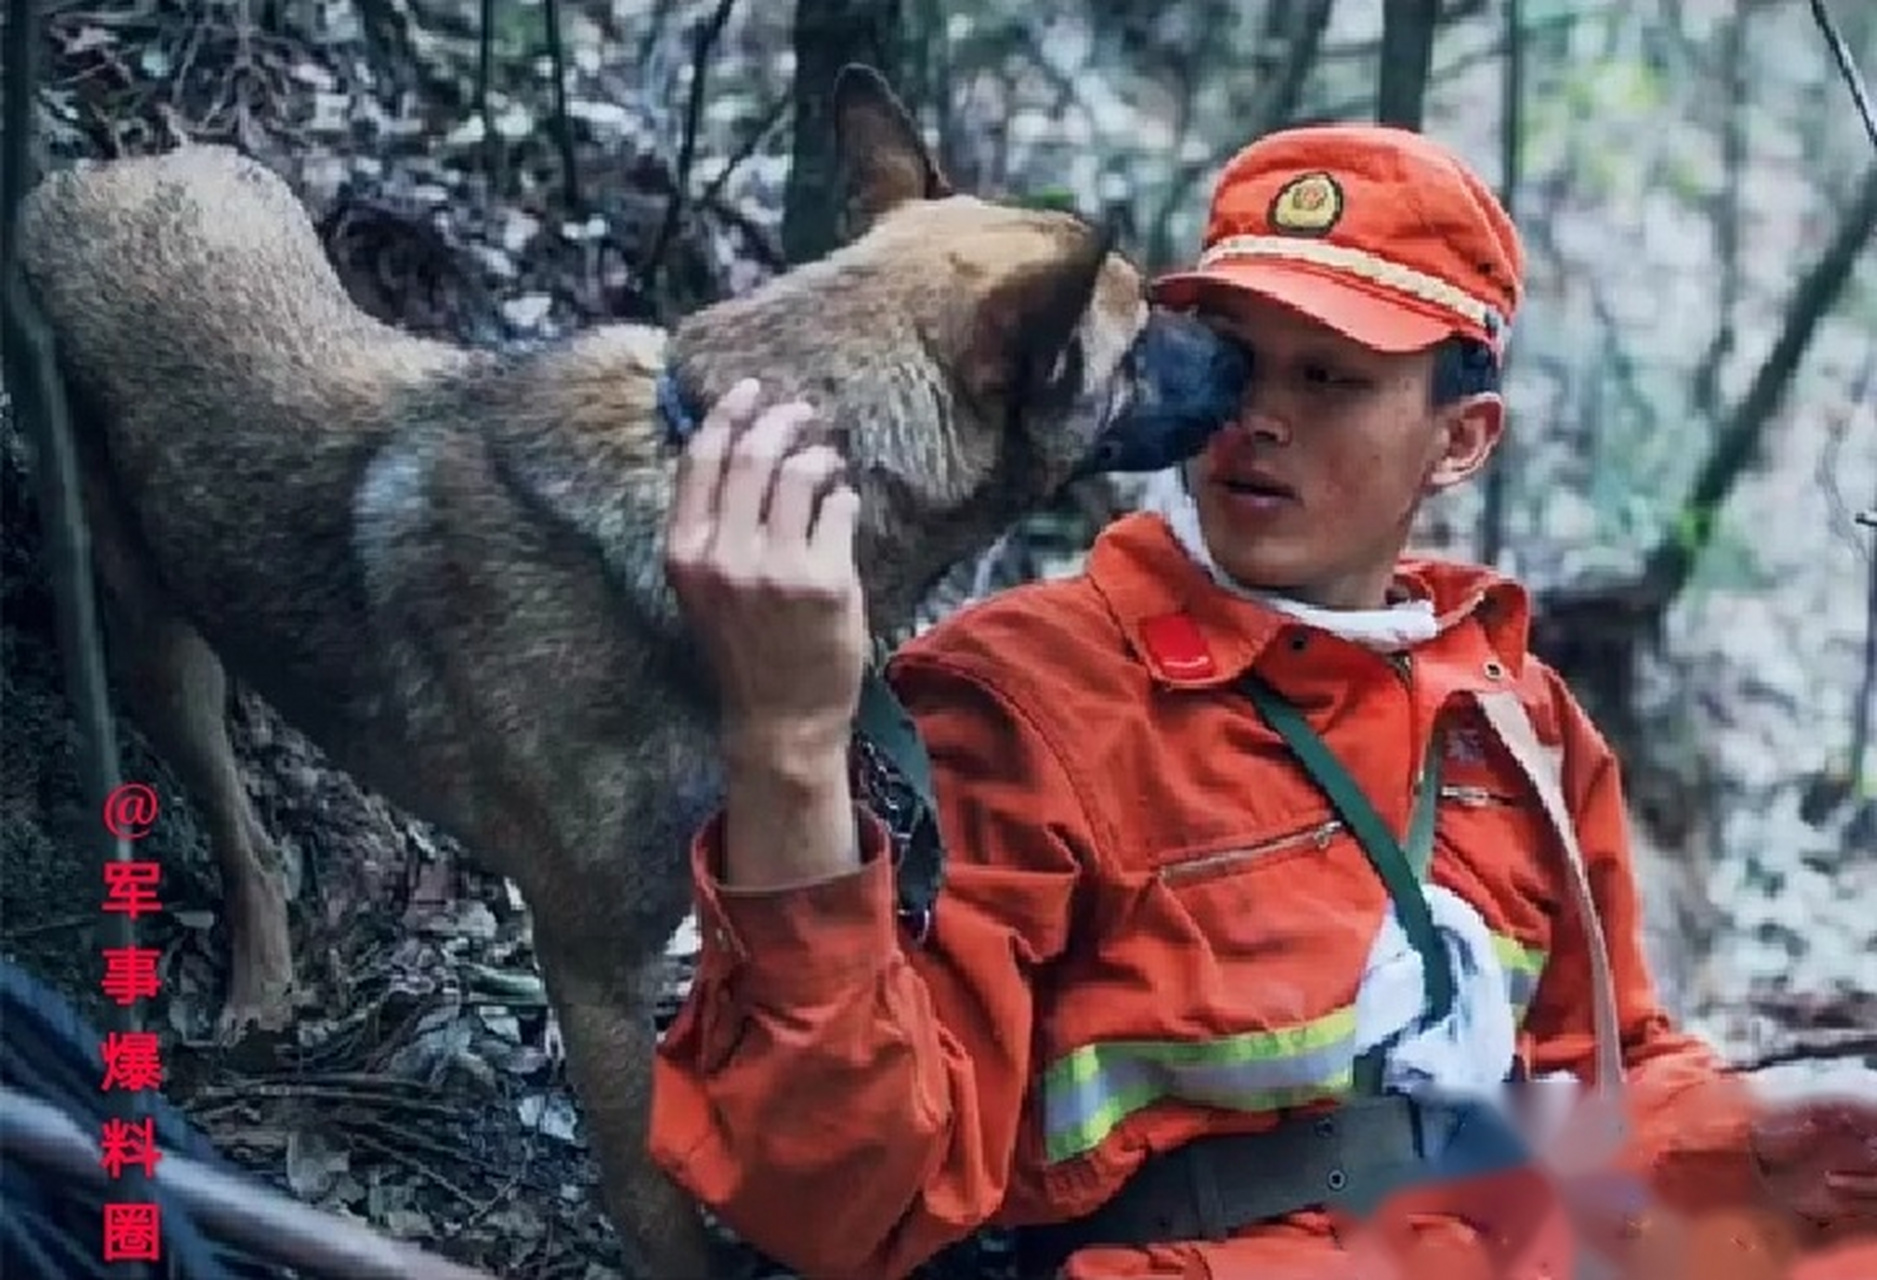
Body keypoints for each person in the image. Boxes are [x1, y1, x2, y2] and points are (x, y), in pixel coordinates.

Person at [650, 123, 1877, 1279]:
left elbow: (1597, 1070)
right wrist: (791, 750)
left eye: (1329, 378)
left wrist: (1741, 1126)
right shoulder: (1027, 701)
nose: (1255, 417)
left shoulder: (1518, 715)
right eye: (1234, 360)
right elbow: (836, 1192)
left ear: (1458, 441)